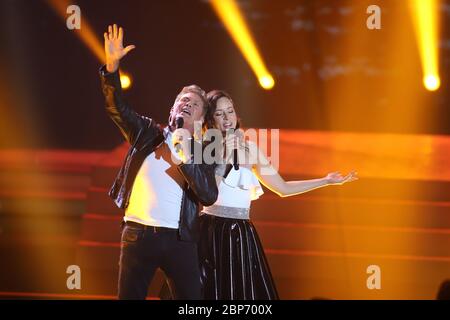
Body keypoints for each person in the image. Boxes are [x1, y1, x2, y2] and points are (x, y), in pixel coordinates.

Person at [198, 90, 358, 300]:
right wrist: (225, 155)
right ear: (210, 119)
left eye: (230, 111)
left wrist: (325, 181)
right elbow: (207, 193)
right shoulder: (205, 149)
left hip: (240, 232)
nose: (227, 118)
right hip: (212, 231)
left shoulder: (251, 149)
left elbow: (282, 188)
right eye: (220, 114)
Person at [99, 24, 218, 299]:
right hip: (138, 234)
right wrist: (112, 69)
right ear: (173, 108)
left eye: (195, 104)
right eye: (182, 100)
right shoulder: (148, 133)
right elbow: (117, 108)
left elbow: (208, 195)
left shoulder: (201, 150)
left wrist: (184, 156)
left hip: (180, 240)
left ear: (200, 119)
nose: (187, 103)